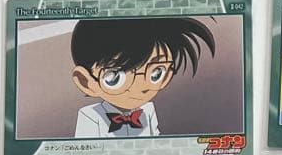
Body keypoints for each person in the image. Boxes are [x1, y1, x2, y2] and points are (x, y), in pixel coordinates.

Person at [70, 17, 215, 137]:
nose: (140, 87)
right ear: (86, 82)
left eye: (156, 73)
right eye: (114, 77)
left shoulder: (148, 109)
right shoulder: (90, 116)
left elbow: (155, 141)